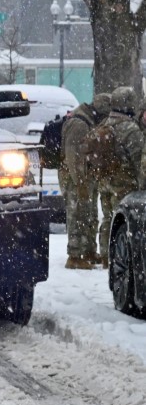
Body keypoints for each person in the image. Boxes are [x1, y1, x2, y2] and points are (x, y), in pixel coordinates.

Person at [95, 86, 143, 267]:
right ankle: (120, 257)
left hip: (104, 180)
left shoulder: (104, 124)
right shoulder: (131, 129)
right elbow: (138, 161)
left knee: (107, 218)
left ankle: (106, 255)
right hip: (124, 184)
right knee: (124, 222)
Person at [61, 93, 107, 268]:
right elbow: (73, 158)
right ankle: (73, 256)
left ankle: (88, 251)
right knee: (77, 216)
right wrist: (80, 183)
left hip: (86, 177)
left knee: (90, 215)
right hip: (75, 178)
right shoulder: (80, 124)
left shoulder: (89, 120)